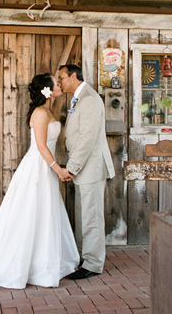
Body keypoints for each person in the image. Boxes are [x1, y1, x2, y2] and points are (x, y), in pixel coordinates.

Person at [0, 73, 79, 289]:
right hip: (38, 167)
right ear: (47, 89)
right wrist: (58, 170)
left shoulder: (47, 111)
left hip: (44, 167)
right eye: (56, 82)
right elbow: (42, 147)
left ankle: (42, 260)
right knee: (31, 212)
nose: (60, 84)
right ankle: (25, 264)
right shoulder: (40, 113)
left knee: (45, 212)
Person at [57, 64, 115, 280]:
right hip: (84, 167)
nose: (60, 82)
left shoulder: (89, 98)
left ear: (73, 76)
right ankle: (85, 257)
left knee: (91, 217)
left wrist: (71, 167)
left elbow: (86, 139)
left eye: (62, 77)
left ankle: (93, 263)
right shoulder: (78, 98)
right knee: (84, 215)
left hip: (91, 167)